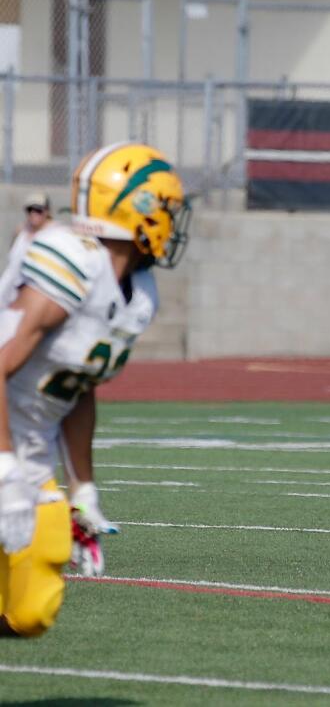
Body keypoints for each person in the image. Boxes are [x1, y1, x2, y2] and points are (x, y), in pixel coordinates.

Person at [0, 141, 189, 636]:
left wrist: (83, 488)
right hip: (6, 449)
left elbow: (78, 387)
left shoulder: (138, 293)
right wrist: (3, 472)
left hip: (30, 452)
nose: (172, 222)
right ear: (138, 207)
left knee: (30, 612)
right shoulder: (75, 259)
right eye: (166, 209)